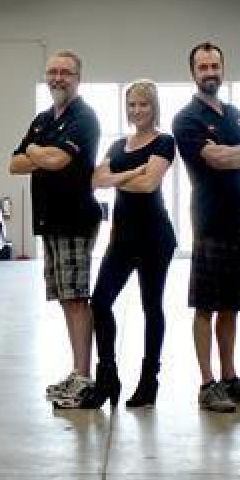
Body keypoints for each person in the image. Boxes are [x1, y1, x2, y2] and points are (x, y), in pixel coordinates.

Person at [57, 80, 176, 410]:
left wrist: (119, 178)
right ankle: (108, 376)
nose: (137, 110)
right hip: (122, 238)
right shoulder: (118, 145)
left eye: (143, 104)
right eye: (132, 105)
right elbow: (95, 180)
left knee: (151, 306)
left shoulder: (165, 142)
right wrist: (131, 173)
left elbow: (149, 184)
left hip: (155, 237)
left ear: (154, 107)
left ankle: (149, 380)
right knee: (100, 302)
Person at [172, 42, 240, 414]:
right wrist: (238, 152)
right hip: (210, 221)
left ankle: (230, 378)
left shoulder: (234, 113)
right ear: (193, 72)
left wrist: (233, 153)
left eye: (215, 65)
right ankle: (207, 383)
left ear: (222, 68)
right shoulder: (186, 118)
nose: (210, 72)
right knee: (205, 305)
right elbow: (214, 159)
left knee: (231, 305)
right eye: (203, 67)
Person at [9, 50, 102, 406]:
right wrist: (40, 153)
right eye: (53, 72)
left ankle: (84, 377)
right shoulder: (43, 120)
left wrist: (35, 150)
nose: (58, 78)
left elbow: (58, 160)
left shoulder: (84, 117)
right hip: (49, 221)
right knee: (65, 298)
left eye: (66, 72)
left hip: (74, 220)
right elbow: (14, 164)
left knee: (76, 298)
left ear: (78, 78)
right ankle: (77, 371)